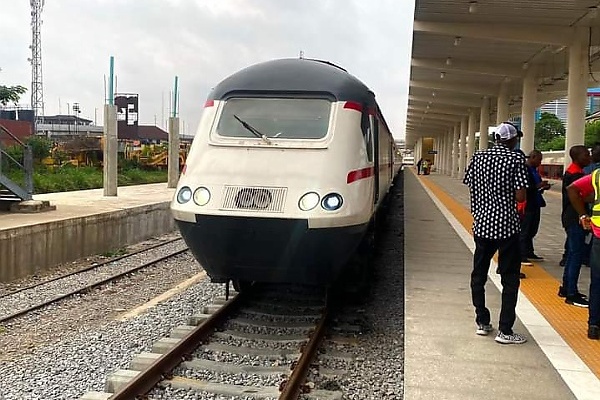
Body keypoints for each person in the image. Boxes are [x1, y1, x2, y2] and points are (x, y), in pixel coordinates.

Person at [463, 122, 528, 345]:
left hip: (481, 225)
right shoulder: (516, 158)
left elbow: (469, 183)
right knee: (510, 278)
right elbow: (520, 196)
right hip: (507, 227)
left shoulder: (478, 157)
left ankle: (482, 321)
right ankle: (505, 331)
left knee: (478, 274)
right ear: (511, 140)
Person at [565, 169, 600, 339]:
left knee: (597, 281)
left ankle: (594, 325)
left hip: (599, 236)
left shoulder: (598, 175)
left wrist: (583, 214)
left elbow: (572, 189)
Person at [560, 145, 591, 307]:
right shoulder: (576, 175)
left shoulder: (571, 171)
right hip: (576, 219)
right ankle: (571, 293)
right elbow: (581, 196)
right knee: (576, 255)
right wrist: (583, 214)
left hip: (570, 217)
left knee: (573, 254)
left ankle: (566, 287)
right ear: (577, 156)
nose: (589, 157)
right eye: (586, 155)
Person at [520, 150, 550, 265]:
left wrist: (542, 187)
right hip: (527, 205)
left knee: (532, 229)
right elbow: (524, 188)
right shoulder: (525, 170)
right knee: (525, 230)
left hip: (535, 204)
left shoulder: (535, 171)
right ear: (532, 157)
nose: (540, 162)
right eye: (539, 159)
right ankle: (522, 255)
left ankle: (529, 251)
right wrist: (538, 186)